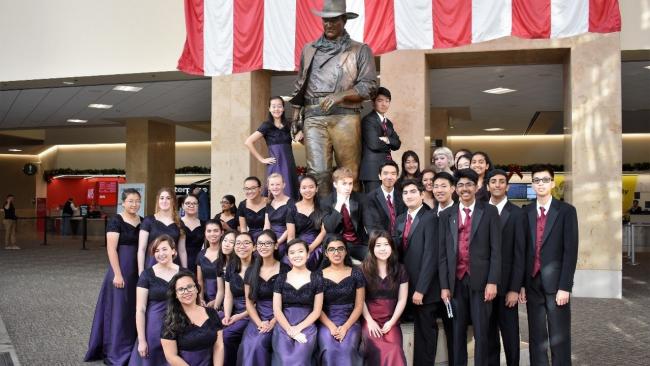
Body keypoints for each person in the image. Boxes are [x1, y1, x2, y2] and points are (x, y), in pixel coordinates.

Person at [289, 0, 377, 194]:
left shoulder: (359, 50)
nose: (328, 24)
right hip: (314, 116)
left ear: (344, 20)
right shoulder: (310, 49)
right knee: (318, 174)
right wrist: (295, 116)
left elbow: (370, 87)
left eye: (333, 20)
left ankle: (350, 220)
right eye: (325, 20)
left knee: (349, 174)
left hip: (345, 116)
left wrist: (341, 95)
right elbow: (300, 85)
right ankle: (323, 222)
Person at [439, 168, 501, 366]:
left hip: (482, 282)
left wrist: (492, 281)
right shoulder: (447, 214)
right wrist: (444, 286)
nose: (465, 189)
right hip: (455, 282)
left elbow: (496, 251)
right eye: (460, 185)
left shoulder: (490, 212)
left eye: (469, 185)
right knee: (457, 333)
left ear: (476, 187)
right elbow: (442, 254)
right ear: (455, 189)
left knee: (482, 333)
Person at [520, 164, 578, 366]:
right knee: (537, 335)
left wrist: (565, 286)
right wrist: (520, 284)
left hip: (557, 285)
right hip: (532, 282)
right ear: (532, 185)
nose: (541, 184)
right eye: (536, 180)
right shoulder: (525, 212)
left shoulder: (566, 211)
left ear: (552, 183)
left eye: (545, 180)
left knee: (559, 334)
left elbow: (570, 252)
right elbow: (521, 251)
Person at [85, 189, 142, 365]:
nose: (134, 204)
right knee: (119, 309)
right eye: (130, 201)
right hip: (121, 270)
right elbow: (111, 249)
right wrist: (117, 274)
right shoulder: (116, 220)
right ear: (123, 203)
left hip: (138, 271)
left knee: (135, 307)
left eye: (137, 201)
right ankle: (116, 349)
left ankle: (133, 347)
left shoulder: (144, 221)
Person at [394, 179, 445, 366]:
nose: (409, 195)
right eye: (405, 192)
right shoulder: (400, 219)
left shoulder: (431, 218)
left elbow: (431, 256)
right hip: (405, 286)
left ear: (422, 194)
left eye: (413, 191)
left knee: (425, 335)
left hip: (425, 289)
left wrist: (421, 289)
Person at [485, 169, 525, 366]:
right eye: (493, 181)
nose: (498, 185)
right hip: (484, 287)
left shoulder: (518, 214)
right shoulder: (480, 211)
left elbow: (520, 254)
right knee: (489, 336)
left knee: (510, 336)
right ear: (487, 186)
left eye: (502, 181)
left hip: (508, 286)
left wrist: (514, 289)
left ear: (507, 186)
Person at [129, 235, 181, 365]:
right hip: (154, 324)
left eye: (164, 249)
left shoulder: (183, 273)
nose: (160, 254)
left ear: (173, 251)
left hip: (178, 323)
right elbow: (140, 309)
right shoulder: (146, 275)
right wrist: (141, 340)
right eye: (156, 251)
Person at [240, 230, 289, 366]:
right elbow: (249, 303)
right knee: (248, 344)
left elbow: (288, 301)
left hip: (279, 316)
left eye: (268, 243)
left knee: (259, 343)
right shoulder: (251, 270)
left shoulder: (285, 270)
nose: (263, 246)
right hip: (258, 317)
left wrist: (273, 322)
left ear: (276, 246)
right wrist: (259, 322)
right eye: (260, 243)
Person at [272, 239, 324, 365]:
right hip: (284, 324)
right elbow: (277, 309)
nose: (297, 255)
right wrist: (290, 329)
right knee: (285, 358)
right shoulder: (281, 278)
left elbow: (317, 311)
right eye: (292, 252)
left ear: (308, 254)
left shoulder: (317, 278)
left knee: (300, 357)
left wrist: (299, 328)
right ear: (288, 256)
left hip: (307, 325)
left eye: (300, 251)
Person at [361, 231, 408, 366]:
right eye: (378, 245)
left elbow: (402, 299)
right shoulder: (362, 270)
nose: (382, 249)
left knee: (396, 349)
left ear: (392, 247)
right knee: (385, 350)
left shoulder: (401, 269)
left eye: (386, 244)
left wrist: (392, 321)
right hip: (370, 321)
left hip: (391, 321)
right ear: (371, 248)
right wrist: (369, 321)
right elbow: (361, 300)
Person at [318, 235, 365, 365]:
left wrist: (345, 327)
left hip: (350, 321)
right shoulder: (318, 275)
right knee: (329, 348)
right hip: (327, 322)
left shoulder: (356, 273)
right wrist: (332, 327)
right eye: (332, 249)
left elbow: (359, 306)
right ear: (326, 253)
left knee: (347, 348)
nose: (336, 253)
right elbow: (317, 308)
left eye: (340, 248)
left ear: (345, 251)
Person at [161, 270, 224, 365]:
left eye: (190, 287)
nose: (186, 292)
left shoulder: (212, 313)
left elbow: (219, 346)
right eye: (181, 289)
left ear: (197, 289)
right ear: (176, 295)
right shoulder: (170, 320)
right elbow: (171, 356)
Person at [245, 96, 299, 199]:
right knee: (276, 192)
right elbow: (248, 142)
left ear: (283, 108)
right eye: (273, 106)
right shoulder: (266, 125)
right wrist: (262, 159)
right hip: (276, 164)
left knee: (291, 193)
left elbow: (299, 128)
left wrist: (300, 132)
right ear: (269, 109)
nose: (276, 109)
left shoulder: (289, 124)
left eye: (279, 106)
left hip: (289, 163)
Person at [359, 87, 401, 193]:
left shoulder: (388, 123)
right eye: (380, 100)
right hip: (372, 172)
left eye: (387, 101)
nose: (384, 104)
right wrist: (390, 143)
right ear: (373, 103)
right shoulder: (368, 120)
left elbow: (397, 144)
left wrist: (387, 139)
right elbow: (374, 144)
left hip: (386, 170)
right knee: (373, 204)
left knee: (386, 203)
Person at [322, 167, 368, 262]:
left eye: (350, 183)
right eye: (344, 184)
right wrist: (339, 204)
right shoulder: (326, 202)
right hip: (337, 245)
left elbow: (369, 223)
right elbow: (330, 228)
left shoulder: (361, 199)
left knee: (373, 257)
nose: (348, 187)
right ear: (335, 184)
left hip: (358, 243)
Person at [222, 231, 254, 366]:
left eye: (246, 243)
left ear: (254, 247)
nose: (242, 246)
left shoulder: (259, 267)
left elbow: (262, 301)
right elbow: (228, 296)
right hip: (234, 311)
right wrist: (227, 315)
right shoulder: (231, 266)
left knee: (227, 335)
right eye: (238, 243)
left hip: (253, 313)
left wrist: (239, 316)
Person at [138, 187, 187, 274]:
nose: (164, 201)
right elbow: (142, 249)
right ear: (158, 200)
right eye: (162, 198)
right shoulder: (148, 220)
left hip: (173, 265)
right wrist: (141, 270)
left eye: (168, 198)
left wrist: (185, 270)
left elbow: (182, 250)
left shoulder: (179, 223)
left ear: (173, 201)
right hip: (152, 264)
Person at [286, 175, 326, 270]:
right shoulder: (292, 209)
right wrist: (293, 250)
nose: (307, 190)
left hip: (316, 245)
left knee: (309, 260)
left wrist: (310, 248)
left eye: (311, 187)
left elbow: (323, 232)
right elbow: (291, 236)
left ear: (316, 189)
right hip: (298, 244)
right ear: (299, 190)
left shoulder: (323, 207)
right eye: (304, 187)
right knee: (287, 262)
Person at [364, 161, 405, 236]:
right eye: (385, 173)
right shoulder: (370, 198)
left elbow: (404, 221)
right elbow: (372, 226)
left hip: (400, 240)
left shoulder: (402, 196)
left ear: (397, 176)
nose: (389, 177)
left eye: (393, 174)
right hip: (381, 241)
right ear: (379, 176)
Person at [196, 222, 227, 309]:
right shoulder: (201, 254)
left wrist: (217, 301)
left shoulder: (226, 254)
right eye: (209, 231)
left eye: (216, 231)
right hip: (205, 298)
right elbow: (200, 281)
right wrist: (200, 299)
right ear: (205, 233)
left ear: (222, 232)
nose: (212, 234)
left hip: (225, 298)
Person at [263, 173, 295, 255]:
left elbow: (289, 230)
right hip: (271, 239)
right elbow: (266, 226)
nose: (275, 187)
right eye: (272, 185)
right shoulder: (269, 203)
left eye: (278, 184)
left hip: (284, 239)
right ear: (268, 187)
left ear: (283, 185)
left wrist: (277, 242)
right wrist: (266, 241)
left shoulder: (291, 203)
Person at [237, 176, 266, 243]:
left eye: (253, 188)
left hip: (267, 237)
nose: (249, 191)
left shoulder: (268, 203)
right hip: (250, 238)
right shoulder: (242, 205)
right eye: (247, 189)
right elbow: (243, 228)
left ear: (260, 188)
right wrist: (247, 241)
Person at [182, 194, 205, 273]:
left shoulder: (204, 224)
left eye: (194, 203)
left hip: (199, 262)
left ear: (198, 206)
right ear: (182, 205)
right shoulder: (176, 223)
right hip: (180, 261)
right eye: (188, 203)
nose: (191, 205)